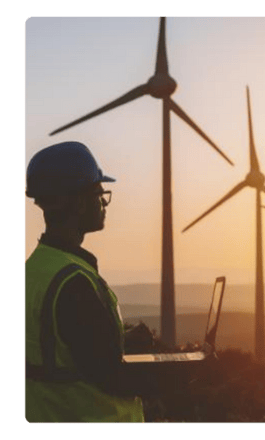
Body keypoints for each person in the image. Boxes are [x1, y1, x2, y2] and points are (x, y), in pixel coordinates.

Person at [25, 141, 159, 423]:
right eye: (100, 194)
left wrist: (121, 339)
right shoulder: (74, 283)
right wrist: (180, 376)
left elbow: (63, 353)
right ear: (80, 202)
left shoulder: (31, 272)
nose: (104, 203)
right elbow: (110, 376)